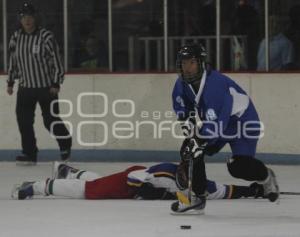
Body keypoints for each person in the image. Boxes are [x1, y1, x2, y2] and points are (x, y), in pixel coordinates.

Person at [171, 43, 279, 214]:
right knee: (191, 150)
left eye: (191, 62)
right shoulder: (181, 84)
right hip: (219, 123)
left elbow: (217, 124)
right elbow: (183, 110)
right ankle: (197, 198)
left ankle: (266, 177)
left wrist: (198, 139)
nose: (187, 67)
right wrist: (190, 132)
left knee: (238, 167)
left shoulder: (215, 87)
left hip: (243, 123)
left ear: (200, 63)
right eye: (183, 63)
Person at [6, 2, 72, 165]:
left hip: (46, 88)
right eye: (24, 17)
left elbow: (56, 61)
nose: (27, 20)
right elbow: (13, 61)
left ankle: (65, 144)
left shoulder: (46, 36)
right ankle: (30, 153)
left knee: (50, 120)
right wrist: (10, 81)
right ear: (20, 19)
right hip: (25, 88)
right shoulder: (16, 37)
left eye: (30, 17)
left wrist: (56, 83)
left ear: (35, 18)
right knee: (24, 122)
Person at [11, 161, 265, 201]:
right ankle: (37, 186)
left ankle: (69, 171)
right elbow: (134, 179)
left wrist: (253, 191)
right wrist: (146, 191)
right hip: (134, 178)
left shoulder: (202, 185)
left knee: (100, 183)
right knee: (90, 191)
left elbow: (226, 191)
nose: (188, 179)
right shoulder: (166, 172)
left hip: (136, 179)